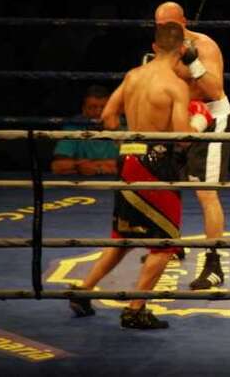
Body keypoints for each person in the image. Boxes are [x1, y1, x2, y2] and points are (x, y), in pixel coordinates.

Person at [69, 21, 207, 329]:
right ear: (182, 51)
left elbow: (108, 117)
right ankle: (135, 309)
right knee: (166, 243)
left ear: (154, 47)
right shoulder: (175, 86)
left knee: (124, 236)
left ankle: (82, 291)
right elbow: (183, 137)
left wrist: (129, 142)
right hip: (155, 164)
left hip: (127, 157)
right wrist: (199, 121)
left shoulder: (132, 76)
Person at [154, 1, 230, 291]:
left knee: (206, 193)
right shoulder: (160, 48)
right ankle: (172, 242)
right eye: (160, 26)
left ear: (184, 22)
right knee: (166, 183)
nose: (166, 30)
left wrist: (191, 60)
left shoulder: (205, 46)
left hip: (211, 117)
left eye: (171, 25)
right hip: (179, 119)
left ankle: (214, 265)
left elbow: (215, 90)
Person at [50, 85, 119, 175]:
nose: (98, 112)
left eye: (104, 107)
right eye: (92, 107)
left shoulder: (122, 126)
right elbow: (57, 166)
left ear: (111, 108)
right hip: (81, 183)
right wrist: (80, 167)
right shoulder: (73, 126)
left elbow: (130, 165)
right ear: (84, 109)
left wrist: (93, 167)